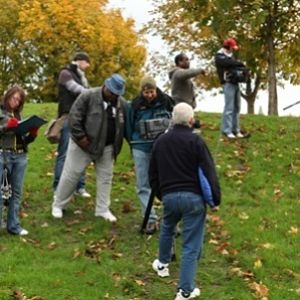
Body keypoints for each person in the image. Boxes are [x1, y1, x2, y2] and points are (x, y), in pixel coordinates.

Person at [149, 103, 221, 300]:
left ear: (172, 119)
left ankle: (162, 264)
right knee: (190, 245)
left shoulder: (160, 141)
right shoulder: (196, 142)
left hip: (170, 196)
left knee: (167, 227)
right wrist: (215, 198)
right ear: (191, 120)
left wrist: (160, 193)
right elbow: (209, 172)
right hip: (194, 199)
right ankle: (185, 291)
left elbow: (152, 173)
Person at [51, 74, 127, 222]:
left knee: (106, 178)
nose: (113, 96)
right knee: (71, 175)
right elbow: (74, 117)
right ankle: (59, 205)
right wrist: (81, 138)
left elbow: (124, 124)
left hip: (107, 146)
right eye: (111, 92)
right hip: (83, 145)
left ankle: (102, 209)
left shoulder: (121, 103)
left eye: (117, 94)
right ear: (105, 86)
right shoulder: (88, 96)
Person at [126, 76, 174, 234]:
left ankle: (170, 220)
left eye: (151, 91)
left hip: (163, 148)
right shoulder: (135, 105)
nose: (149, 95)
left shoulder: (166, 101)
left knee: (167, 183)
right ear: (142, 91)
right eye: (146, 92)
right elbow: (128, 126)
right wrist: (133, 143)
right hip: (141, 147)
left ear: (156, 89)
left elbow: (174, 121)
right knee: (143, 184)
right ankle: (150, 219)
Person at [0, 86, 39, 236]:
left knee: (16, 192)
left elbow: (23, 140)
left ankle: (13, 226)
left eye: (19, 100)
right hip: (3, 155)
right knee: (1, 192)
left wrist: (33, 134)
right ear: (8, 95)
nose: (16, 102)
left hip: (20, 156)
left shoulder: (18, 115)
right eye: (14, 98)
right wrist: (5, 126)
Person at [53, 51, 91, 198]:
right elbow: (78, 90)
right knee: (63, 154)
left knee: (81, 153)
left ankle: (80, 187)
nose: (88, 66)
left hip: (81, 118)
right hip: (68, 116)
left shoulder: (81, 76)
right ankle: (58, 188)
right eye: (86, 62)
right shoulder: (66, 73)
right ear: (80, 61)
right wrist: (93, 93)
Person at [215, 38, 247, 139]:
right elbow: (228, 63)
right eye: (231, 47)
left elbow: (234, 64)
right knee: (229, 107)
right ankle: (227, 130)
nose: (232, 50)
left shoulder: (231, 56)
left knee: (237, 107)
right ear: (227, 46)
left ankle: (236, 130)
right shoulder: (219, 56)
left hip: (235, 82)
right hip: (228, 83)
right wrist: (238, 63)